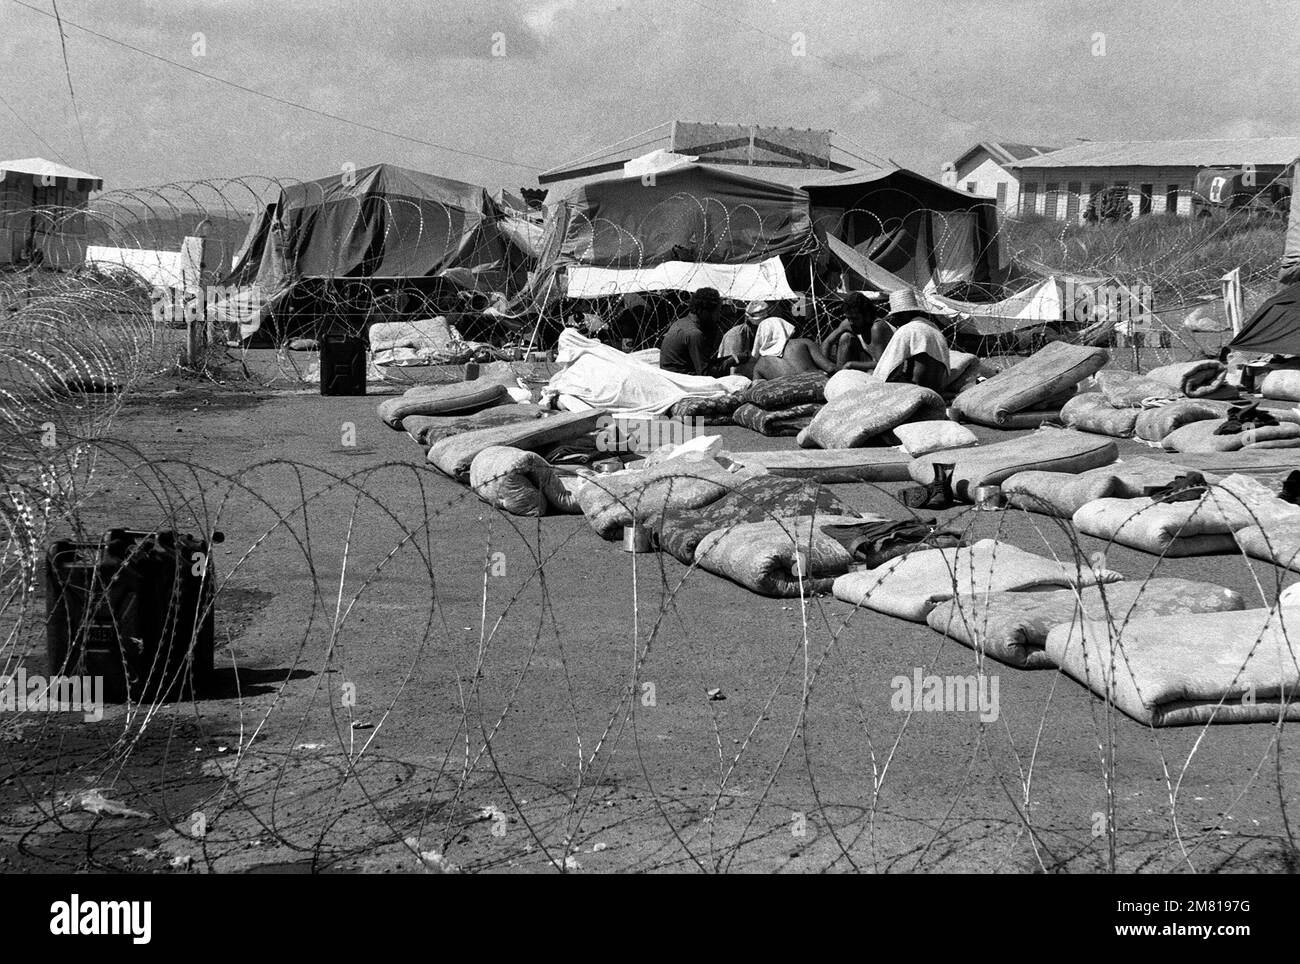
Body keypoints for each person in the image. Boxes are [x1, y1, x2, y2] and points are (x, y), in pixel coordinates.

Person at [874, 289, 951, 391]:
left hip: (916, 388)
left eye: (895, 316)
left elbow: (886, 369)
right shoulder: (933, 328)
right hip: (937, 388)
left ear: (903, 314)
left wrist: (874, 385)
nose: (894, 320)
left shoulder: (906, 330)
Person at [820, 291, 895, 372]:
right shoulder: (849, 324)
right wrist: (826, 366)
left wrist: (851, 364)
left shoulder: (876, 328)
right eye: (849, 318)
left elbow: (882, 364)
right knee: (845, 337)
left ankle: (842, 375)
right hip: (868, 363)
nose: (851, 322)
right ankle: (840, 376)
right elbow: (827, 342)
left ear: (866, 314)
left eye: (855, 318)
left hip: (887, 369)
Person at [716, 300, 795, 374]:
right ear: (748, 323)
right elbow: (734, 371)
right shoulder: (735, 336)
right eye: (758, 327)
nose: (761, 330)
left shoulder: (767, 333)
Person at [660, 287, 722, 375]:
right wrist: (732, 361)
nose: (719, 316)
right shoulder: (695, 334)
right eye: (717, 312)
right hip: (682, 381)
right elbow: (705, 373)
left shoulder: (680, 322)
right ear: (705, 311)